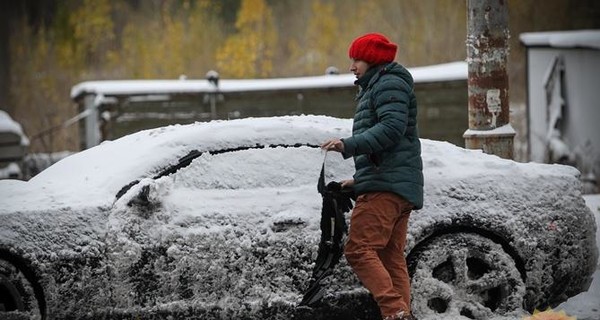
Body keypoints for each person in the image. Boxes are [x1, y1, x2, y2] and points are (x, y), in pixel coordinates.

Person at [321, 32, 423, 320]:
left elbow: (391, 130)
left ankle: (395, 312)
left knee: (359, 250)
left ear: (373, 59)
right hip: (392, 184)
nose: (352, 66)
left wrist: (348, 145)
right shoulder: (379, 85)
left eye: (357, 59)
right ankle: (401, 314)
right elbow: (394, 145)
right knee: (391, 259)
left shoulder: (388, 83)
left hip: (387, 188)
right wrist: (360, 179)